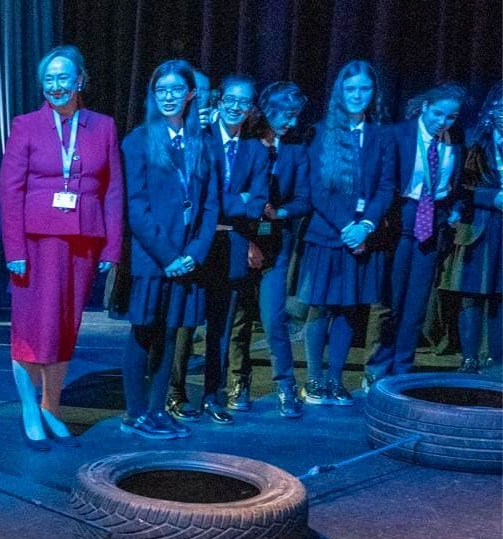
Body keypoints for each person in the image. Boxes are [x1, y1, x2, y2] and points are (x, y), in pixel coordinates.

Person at [0, 44, 124, 450]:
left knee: (65, 326)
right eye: (49, 79)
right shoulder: (26, 125)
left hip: (82, 243)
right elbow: (9, 191)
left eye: (63, 78)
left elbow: (113, 191)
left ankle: (52, 407)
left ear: (80, 80)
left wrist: (111, 248)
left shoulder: (103, 126)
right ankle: (29, 407)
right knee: (32, 326)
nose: (56, 86)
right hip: (35, 245)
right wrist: (13, 250)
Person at [115, 59, 220, 440]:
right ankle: (135, 413)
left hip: (188, 257)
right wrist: (169, 256)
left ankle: (158, 409)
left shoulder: (202, 143)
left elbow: (210, 205)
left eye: (176, 89)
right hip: (153, 258)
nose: (169, 96)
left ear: (191, 94)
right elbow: (137, 209)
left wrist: (196, 251)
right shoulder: (138, 141)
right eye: (161, 90)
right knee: (144, 333)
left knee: (171, 335)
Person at [167, 74, 269, 425]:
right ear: (219, 101)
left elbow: (257, 204)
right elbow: (193, 197)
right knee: (185, 323)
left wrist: (222, 204)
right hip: (196, 244)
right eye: (231, 100)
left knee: (222, 326)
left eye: (244, 102)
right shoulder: (199, 140)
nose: (236, 107)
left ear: (251, 109)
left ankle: (213, 395)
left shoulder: (257, 150)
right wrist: (232, 201)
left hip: (232, 246)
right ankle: (176, 393)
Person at [296, 60, 395, 406]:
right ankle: (314, 379)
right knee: (321, 307)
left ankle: (336, 380)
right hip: (328, 234)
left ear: (373, 92)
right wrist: (347, 227)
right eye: (350, 88)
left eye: (364, 88)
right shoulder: (321, 132)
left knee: (349, 309)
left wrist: (365, 226)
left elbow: (386, 187)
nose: (357, 95)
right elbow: (317, 189)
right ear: (339, 92)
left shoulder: (382, 135)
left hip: (363, 235)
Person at [364, 82, 468, 383]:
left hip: (433, 223)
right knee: (390, 301)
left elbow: (456, 186)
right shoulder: (398, 134)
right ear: (424, 107)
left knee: (416, 303)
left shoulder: (455, 139)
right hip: (400, 220)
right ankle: (377, 369)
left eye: (450, 117)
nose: (442, 122)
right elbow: (381, 183)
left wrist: (455, 208)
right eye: (437, 114)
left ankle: (402, 369)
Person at [230, 81, 311, 418]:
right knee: (238, 318)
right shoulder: (244, 144)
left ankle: (285, 385)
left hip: (276, 242)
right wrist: (247, 238)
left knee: (274, 318)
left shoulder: (295, 150)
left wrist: (282, 212)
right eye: (286, 114)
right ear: (268, 110)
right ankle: (238, 381)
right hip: (240, 239)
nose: (292, 122)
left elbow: (304, 198)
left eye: (296, 115)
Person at [439, 80, 503, 372]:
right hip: (477, 226)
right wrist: (493, 198)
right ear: (493, 109)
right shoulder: (474, 141)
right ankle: (469, 358)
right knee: (471, 294)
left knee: (500, 296)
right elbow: (458, 188)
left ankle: (497, 360)